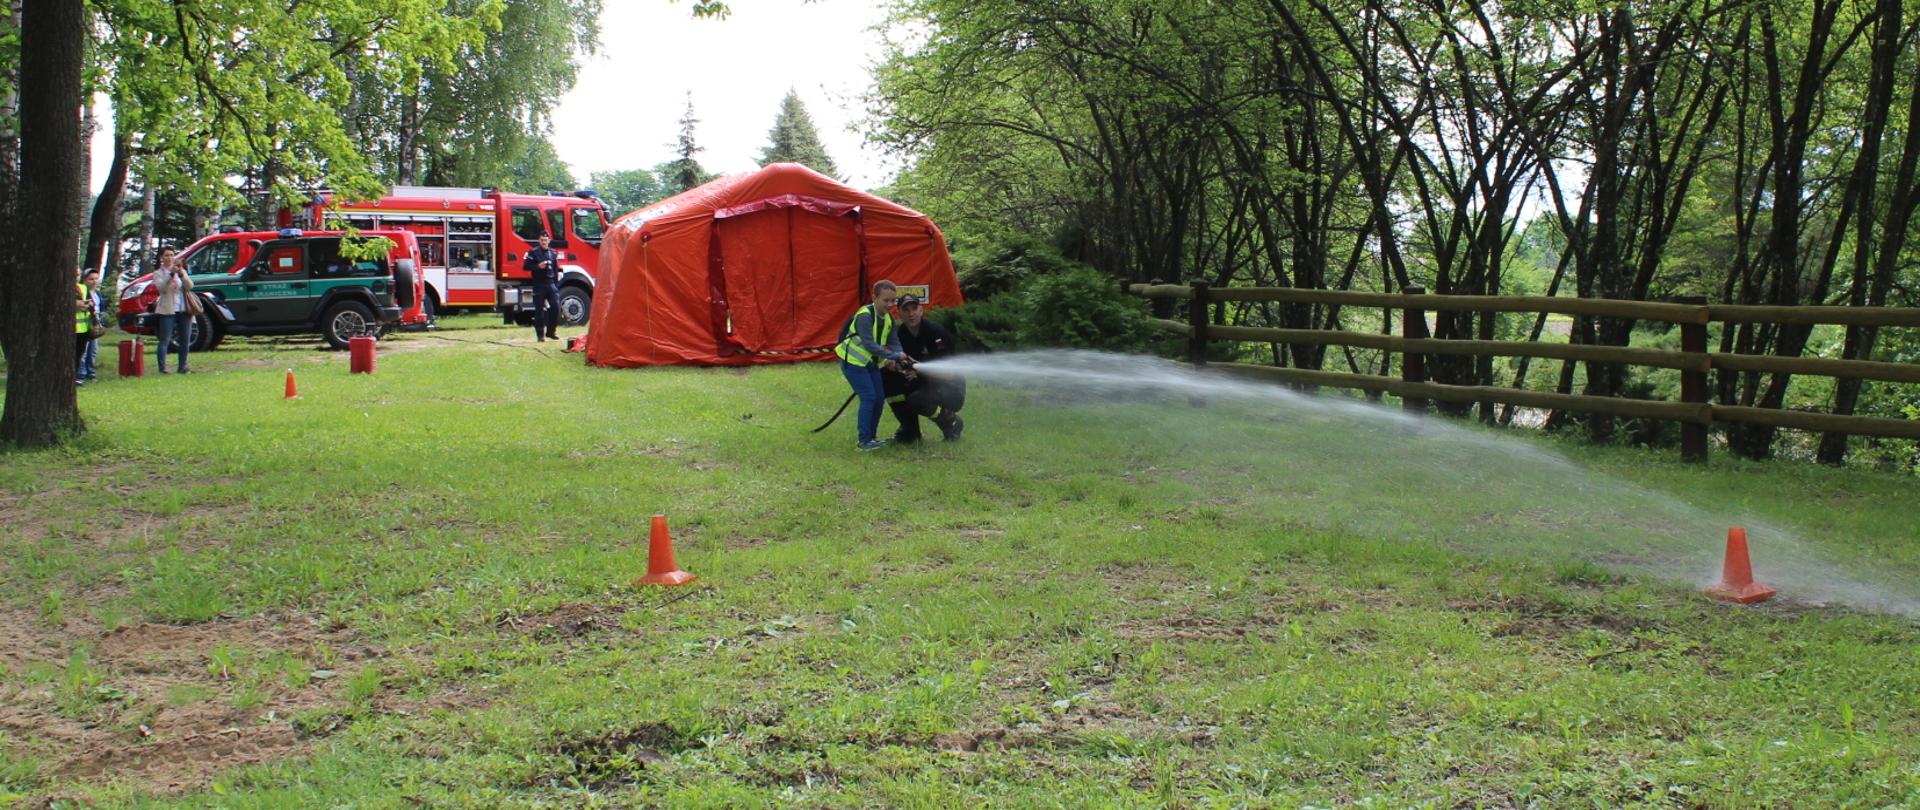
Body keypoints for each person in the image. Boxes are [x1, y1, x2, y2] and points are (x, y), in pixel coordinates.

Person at [834, 280, 910, 451]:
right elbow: (870, 345)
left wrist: (900, 354)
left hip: (870, 364)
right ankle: (863, 442)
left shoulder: (889, 318)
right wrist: (893, 355)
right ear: (875, 298)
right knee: (869, 397)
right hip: (853, 363)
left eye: (893, 300)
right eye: (886, 300)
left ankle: (871, 437)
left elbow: (894, 341)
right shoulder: (865, 316)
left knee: (879, 398)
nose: (890, 304)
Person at [883, 294, 966, 442]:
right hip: (923, 382)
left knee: (917, 399)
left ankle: (951, 423)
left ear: (921, 311)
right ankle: (910, 431)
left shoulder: (935, 332)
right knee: (886, 377)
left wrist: (917, 369)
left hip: (950, 388)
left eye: (914, 309)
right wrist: (894, 365)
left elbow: (949, 373)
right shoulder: (900, 334)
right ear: (899, 313)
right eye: (906, 310)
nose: (911, 314)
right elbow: (900, 361)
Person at [151, 247, 193, 374]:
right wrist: (171, 275)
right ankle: (162, 368)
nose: (169, 258)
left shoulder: (181, 270)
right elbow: (162, 288)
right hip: (167, 309)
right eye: (166, 255)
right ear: (161, 258)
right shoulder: (158, 273)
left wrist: (182, 275)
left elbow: (190, 286)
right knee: (165, 339)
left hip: (183, 308)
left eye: (171, 255)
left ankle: (182, 366)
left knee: (185, 339)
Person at [524, 233, 561, 341]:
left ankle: (551, 331)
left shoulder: (553, 253)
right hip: (539, 283)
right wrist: (537, 266)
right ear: (539, 241)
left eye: (545, 240)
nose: (544, 242)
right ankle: (540, 335)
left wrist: (556, 283)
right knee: (539, 310)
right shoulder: (533, 252)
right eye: (542, 240)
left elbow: (555, 268)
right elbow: (526, 266)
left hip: (551, 283)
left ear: (549, 240)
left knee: (555, 306)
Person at [76, 268, 104, 383]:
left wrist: (97, 321)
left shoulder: (93, 292)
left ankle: (89, 373)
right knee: (82, 353)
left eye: (96, 279)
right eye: (91, 279)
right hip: (75, 327)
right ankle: (80, 375)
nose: (94, 281)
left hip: (87, 325)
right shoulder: (75, 288)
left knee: (91, 350)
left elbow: (93, 306)